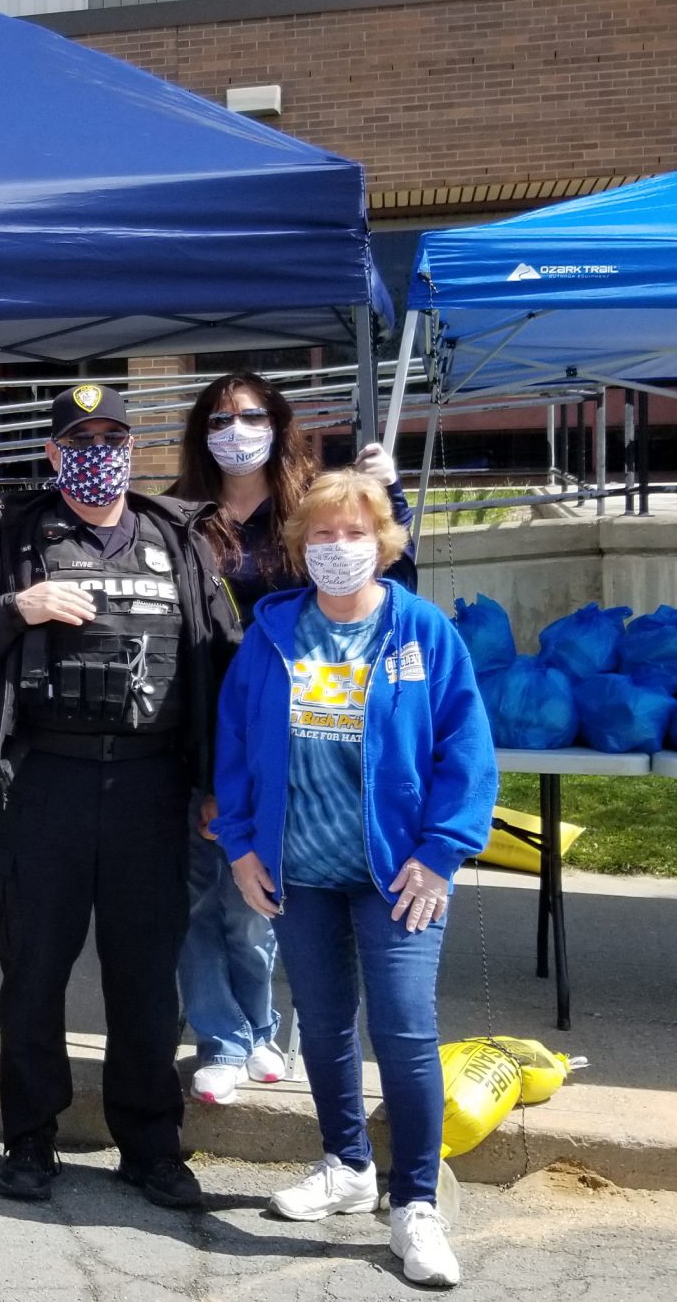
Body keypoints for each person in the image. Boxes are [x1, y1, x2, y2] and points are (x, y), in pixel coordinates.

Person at [0, 383, 239, 1210]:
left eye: (113, 439)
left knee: (143, 977)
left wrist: (214, 784)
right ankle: (30, 1138)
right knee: (33, 972)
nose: (99, 454)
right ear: (56, 454)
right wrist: (13, 608)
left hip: (152, 787)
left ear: (133, 448)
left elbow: (221, 658)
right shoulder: (13, 539)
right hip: (46, 786)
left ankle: (150, 1144)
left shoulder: (178, 536)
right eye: (81, 442)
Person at [208, 467, 494, 1289]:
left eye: (356, 533)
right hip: (299, 869)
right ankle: (346, 1166)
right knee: (324, 1024)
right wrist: (241, 846)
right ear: (299, 546)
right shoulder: (271, 635)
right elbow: (233, 751)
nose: (339, 548)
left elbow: (465, 753)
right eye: (323, 535)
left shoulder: (423, 632)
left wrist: (442, 852)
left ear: (384, 542)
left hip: (399, 876)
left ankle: (415, 1206)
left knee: (403, 1030)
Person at [164, 372, 414, 1108]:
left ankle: (262, 1030)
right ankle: (219, 1037)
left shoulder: (312, 509)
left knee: (258, 896)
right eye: (218, 417)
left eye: (249, 415)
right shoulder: (179, 513)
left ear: (277, 422)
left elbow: (389, 577)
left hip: (288, 732)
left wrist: (389, 497)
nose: (234, 428)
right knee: (192, 896)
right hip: (192, 725)